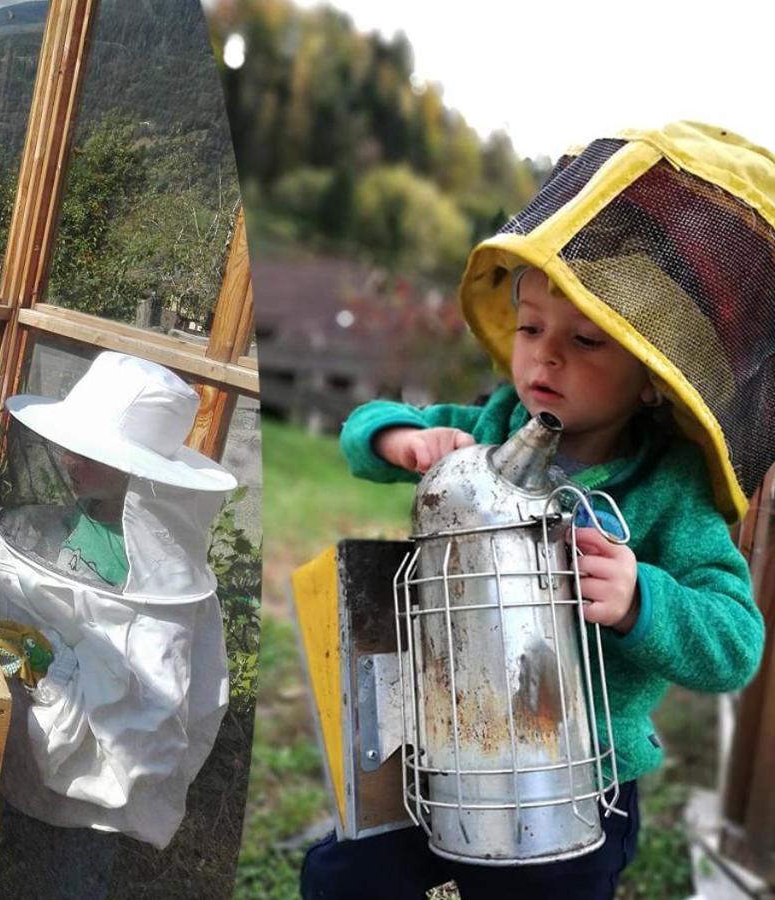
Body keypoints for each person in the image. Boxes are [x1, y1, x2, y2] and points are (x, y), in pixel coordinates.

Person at [302, 121, 770, 900]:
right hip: (449, 740)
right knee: (344, 876)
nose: (545, 357)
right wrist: (404, 440)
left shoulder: (669, 489)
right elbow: (359, 432)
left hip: (582, 783)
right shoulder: (490, 428)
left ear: (652, 379)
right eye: (530, 329)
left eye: (587, 341)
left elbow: (736, 643)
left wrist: (638, 599)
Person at [0, 351, 239, 898]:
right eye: (71, 443)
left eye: (91, 451)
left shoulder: (159, 566)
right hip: (30, 742)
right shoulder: (82, 516)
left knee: (69, 874)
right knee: (12, 854)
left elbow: (147, 702)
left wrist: (54, 664)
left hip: (91, 801)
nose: (70, 457)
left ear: (138, 470)